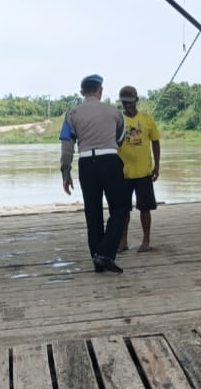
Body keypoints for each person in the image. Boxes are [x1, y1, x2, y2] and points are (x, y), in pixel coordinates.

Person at [60, 74, 130, 274]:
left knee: (93, 212)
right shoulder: (115, 112)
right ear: (100, 90)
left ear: (82, 92)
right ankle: (105, 253)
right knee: (120, 208)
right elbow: (120, 139)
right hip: (109, 161)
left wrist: (66, 172)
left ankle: (97, 259)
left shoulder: (72, 114)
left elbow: (67, 145)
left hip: (86, 164)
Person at [116, 85, 161, 253]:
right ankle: (123, 242)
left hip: (144, 172)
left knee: (145, 208)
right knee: (123, 211)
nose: (128, 105)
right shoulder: (118, 120)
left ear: (136, 100)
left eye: (130, 102)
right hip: (123, 173)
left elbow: (155, 141)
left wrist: (157, 165)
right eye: (124, 102)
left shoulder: (147, 119)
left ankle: (146, 241)